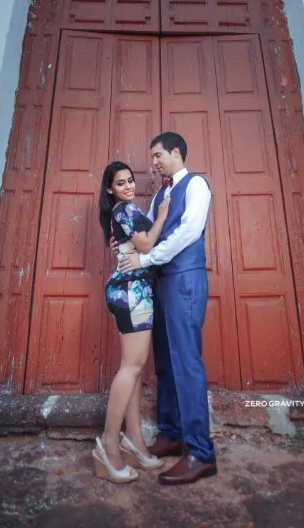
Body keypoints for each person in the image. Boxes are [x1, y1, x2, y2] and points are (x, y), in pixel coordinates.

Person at [117, 132, 217, 485]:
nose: (154, 163)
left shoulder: (197, 185)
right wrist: (124, 239)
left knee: (185, 362)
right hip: (160, 284)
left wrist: (146, 259)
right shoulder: (160, 195)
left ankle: (201, 453)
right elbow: (146, 234)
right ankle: (172, 434)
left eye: (158, 155)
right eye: (152, 157)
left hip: (184, 281)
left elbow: (189, 231)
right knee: (164, 362)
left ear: (176, 152)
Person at [93, 160, 170, 484]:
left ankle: (134, 440)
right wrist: (162, 215)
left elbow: (134, 244)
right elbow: (146, 244)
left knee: (134, 368)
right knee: (132, 367)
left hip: (131, 291)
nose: (128, 186)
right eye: (120, 183)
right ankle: (108, 446)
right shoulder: (125, 210)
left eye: (130, 181)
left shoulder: (121, 213)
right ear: (110, 189)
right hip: (131, 292)